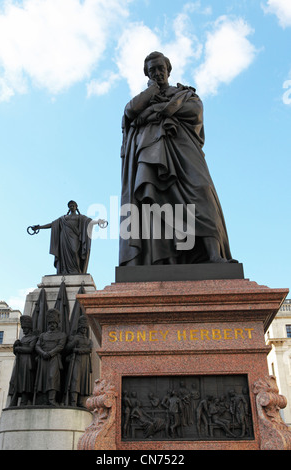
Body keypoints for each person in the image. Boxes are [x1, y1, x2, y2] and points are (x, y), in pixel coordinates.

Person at [119, 51, 236, 266]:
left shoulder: (184, 94)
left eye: (160, 68)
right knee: (154, 204)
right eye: (151, 70)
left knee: (201, 191)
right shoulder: (142, 99)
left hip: (183, 149)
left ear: (168, 70)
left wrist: (155, 109)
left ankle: (214, 255)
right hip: (151, 152)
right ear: (147, 74)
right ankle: (164, 261)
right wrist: (152, 93)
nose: (156, 73)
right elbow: (129, 112)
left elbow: (194, 110)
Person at [30, 201, 106, 275]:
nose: (72, 207)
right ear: (68, 208)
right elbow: (52, 224)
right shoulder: (63, 218)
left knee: (75, 251)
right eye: (70, 206)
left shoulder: (81, 217)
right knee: (64, 255)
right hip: (64, 237)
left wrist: (98, 222)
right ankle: (65, 271)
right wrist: (39, 227)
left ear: (76, 207)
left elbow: (89, 222)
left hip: (75, 237)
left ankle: (76, 270)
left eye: (73, 206)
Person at [34, 308, 67, 406]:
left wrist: (50, 353)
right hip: (43, 359)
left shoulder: (62, 335)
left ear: (57, 323)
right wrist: (42, 353)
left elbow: (60, 346)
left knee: (52, 377)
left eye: (54, 323)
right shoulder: (43, 335)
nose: (52, 325)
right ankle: (43, 399)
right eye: (50, 323)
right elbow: (37, 345)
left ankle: (52, 399)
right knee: (42, 379)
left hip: (54, 359)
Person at [8, 315, 38, 406]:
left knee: (25, 383)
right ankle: (13, 401)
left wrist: (19, 348)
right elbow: (16, 352)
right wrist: (15, 346)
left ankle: (23, 402)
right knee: (14, 381)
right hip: (19, 363)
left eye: (25, 328)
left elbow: (30, 349)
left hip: (27, 363)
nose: (24, 330)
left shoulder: (33, 338)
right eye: (23, 328)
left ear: (29, 328)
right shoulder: (23, 338)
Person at [63, 315, 93, 407]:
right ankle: (73, 401)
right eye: (82, 328)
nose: (84, 330)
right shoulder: (74, 338)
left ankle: (80, 401)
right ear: (79, 328)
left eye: (85, 328)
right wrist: (73, 344)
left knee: (83, 381)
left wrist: (78, 350)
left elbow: (90, 350)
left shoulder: (89, 340)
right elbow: (67, 349)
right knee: (75, 380)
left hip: (85, 362)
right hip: (76, 361)